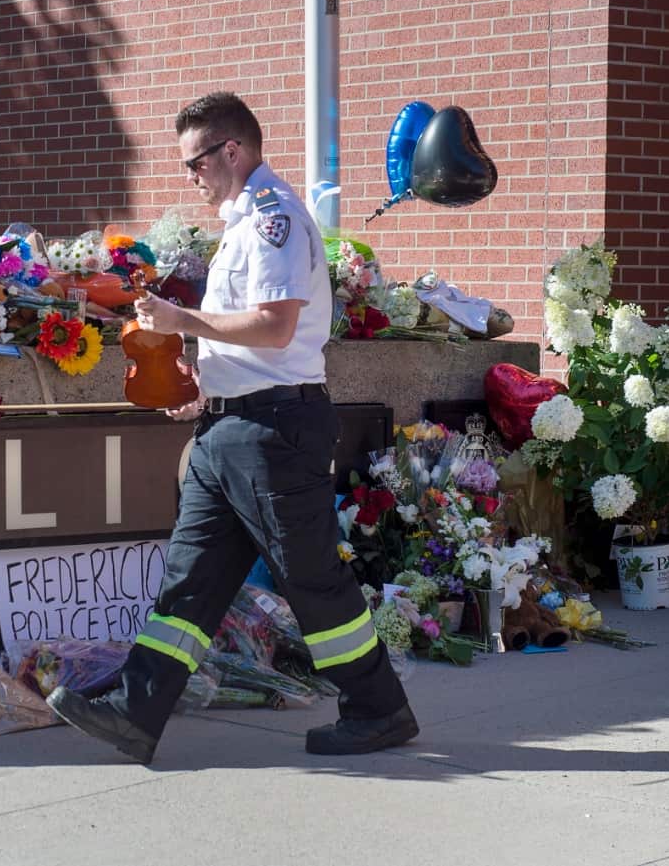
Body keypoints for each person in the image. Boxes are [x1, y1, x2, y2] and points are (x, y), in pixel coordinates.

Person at [46, 92, 417, 763]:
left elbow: (275, 327)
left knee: (309, 580)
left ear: (231, 152)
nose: (190, 177)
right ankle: (135, 712)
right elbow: (247, 339)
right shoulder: (243, 223)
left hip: (274, 429)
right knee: (187, 582)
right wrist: (203, 384)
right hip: (233, 427)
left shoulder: (272, 222)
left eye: (195, 162)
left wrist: (179, 322)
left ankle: (378, 707)